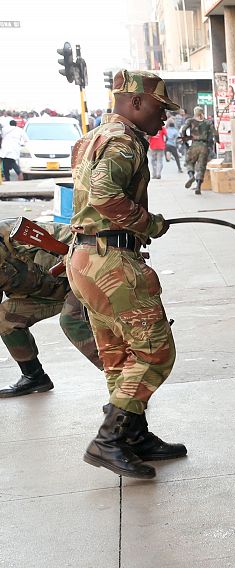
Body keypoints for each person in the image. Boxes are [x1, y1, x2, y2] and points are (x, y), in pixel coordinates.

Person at [67, 69, 185, 480]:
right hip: (111, 262)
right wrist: (148, 223)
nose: (164, 117)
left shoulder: (93, 137)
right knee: (154, 353)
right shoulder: (122, 141)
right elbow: (103, 196)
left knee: (119, 355)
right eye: (159, 107)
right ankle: (109, 440)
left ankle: (133, 435)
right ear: (135, 102)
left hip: (87, 257)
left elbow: (83, 200)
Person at [0, 219, 102, 398]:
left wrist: (72, 257)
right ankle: (34, 377)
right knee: (4, 318)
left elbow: (84, 239)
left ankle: (123, 379)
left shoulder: (19, 232)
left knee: (71, 321)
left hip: (80, 282)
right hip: (46, 296)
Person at [181, 106, 217, 195]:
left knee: (189, 162)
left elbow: (183, 129)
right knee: (201, 167)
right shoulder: (208, 122)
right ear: (202, 113)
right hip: (204, 146)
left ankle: (191, 176)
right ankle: (198, 187)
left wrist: (185, 139)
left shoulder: (190, 121)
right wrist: (216, 141)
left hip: (194, 145)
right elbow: (215, 133)